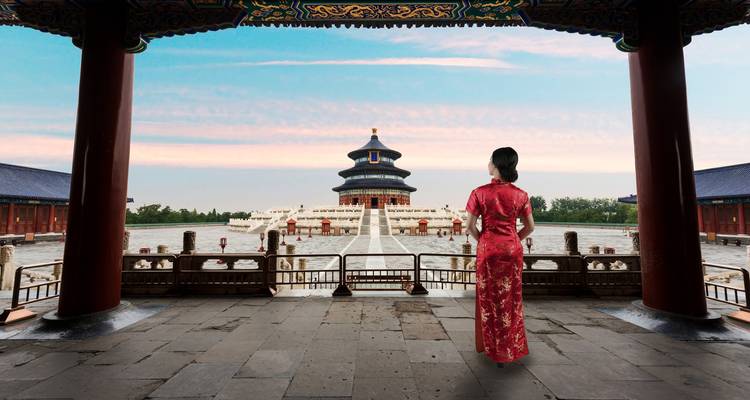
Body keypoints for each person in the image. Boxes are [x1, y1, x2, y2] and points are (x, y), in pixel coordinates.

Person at [465, 147, 535, 366]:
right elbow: (530, 227)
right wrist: (513, 239)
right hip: (513, 251)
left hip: (488, 251)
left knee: (489, 300)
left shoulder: (479, 192)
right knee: (511, 300)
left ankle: (492, 348)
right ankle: (510, 348)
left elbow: (469, 226)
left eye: (489, 160)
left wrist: (485, 241)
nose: (487, 164)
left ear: (495, 164)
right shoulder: (521, 194)